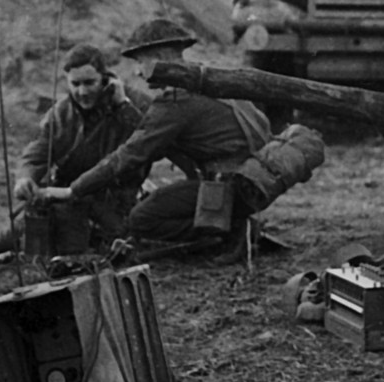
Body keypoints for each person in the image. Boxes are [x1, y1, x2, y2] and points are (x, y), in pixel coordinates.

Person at [41, 18, 272, 260]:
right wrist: (124, 106)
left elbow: (132, 153)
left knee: (141, 219)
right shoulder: (204, 77)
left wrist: (73, 190)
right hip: (253, 178)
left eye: (141, 62)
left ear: (160, 57)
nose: (138, 72)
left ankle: (230, 229)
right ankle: (230, 223)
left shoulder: (176, 100)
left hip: (234, 185)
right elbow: (156, 137)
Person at [0, 43, 146, 258]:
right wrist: (25, 179)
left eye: (90, 83)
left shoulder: (133, 102)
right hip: (68, 194)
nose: (82, 91)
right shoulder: (62, 113)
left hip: (113, 201)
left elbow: (148, 141)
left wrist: (123, 107)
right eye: (75, 84)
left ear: (105, 78)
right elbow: (37, 152)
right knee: (15, 231)